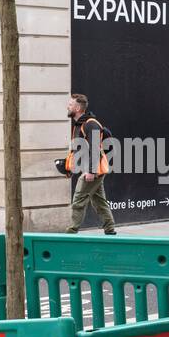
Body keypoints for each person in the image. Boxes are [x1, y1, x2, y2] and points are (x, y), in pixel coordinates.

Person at [65, 93, 116, 234]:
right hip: (91, 169)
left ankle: (71, 231)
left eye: (70, 105)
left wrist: (91, 171)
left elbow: (95, 148)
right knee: (99, 201)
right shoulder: (80, 124)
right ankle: (110, 229)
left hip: (94, 170)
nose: (67, 107)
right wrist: (69, 168)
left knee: (78, 200)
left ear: (77, 108)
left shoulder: (91, 124)